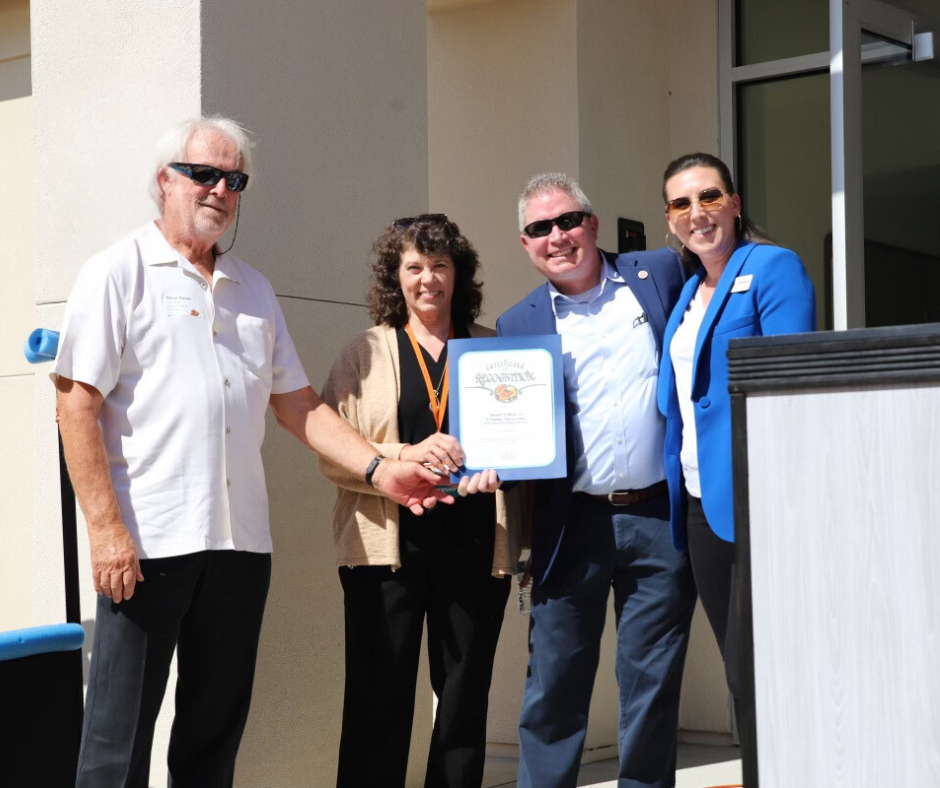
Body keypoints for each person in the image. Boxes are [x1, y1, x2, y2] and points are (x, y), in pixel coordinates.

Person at [52, 117, 454, 788]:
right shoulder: (116, 273)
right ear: (164, 181)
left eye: (233, 179)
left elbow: (299, 405)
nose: (219, 190)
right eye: (203, 174)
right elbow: (75, 406)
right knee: (116, 741)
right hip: (144, 543)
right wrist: (105, 531)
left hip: (239, 548)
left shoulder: (253, 289)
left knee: (213, 735)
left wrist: (382, 469)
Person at [497, 173, 697, 788]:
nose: (557, 237)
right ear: (525, 244)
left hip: (659, 516)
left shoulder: (659, 273)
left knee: (651, 687)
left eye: (568, 221)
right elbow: (511, 429)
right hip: (571, 525)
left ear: (593, 223)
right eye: (540, 229)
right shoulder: (516, 325)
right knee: (554, 686)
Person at [319, 214, 526, 788]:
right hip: (385, 552)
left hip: (476, 547)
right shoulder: (363, 351)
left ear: (459, 275)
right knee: (376, 698)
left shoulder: (496, 350)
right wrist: (402, 453)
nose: (427, 279)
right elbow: (332, 450)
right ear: (396, 277)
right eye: (414, 267)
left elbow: (525, 445)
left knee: (463, 702)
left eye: (440, 266)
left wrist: (502, 474)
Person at [658, 151, 816, 706]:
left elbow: (790, 387)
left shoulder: (773, 267)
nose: (697, 213)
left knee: (767, 667)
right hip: (702, 501)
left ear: (735, 204)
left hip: (760, 497)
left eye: (710, 197)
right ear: (670, 218)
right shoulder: (687, 292)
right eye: (681, 203)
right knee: (738, 667)